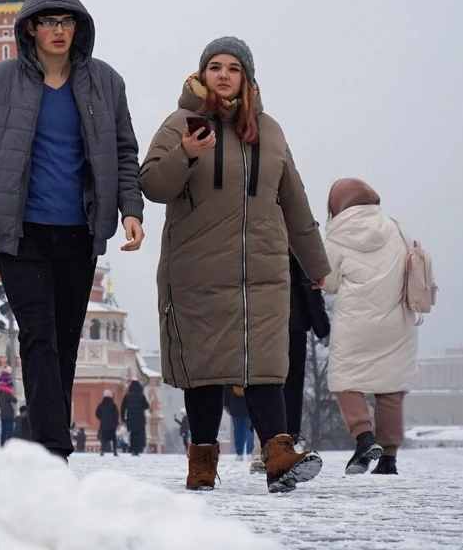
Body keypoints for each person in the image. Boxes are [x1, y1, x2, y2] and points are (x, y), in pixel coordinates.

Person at [0, 0, 145, 460]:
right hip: (18, 231)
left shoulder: (106, 83)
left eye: (66, 20)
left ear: (78, 27)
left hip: (79, 232)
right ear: (29, 28)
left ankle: (45, 436)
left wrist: (130, 209)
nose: (58, 30)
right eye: (48, 21)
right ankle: (54, 447)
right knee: (37, 333)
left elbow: (123, 152)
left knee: (65, 339)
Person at [139, 37, 330, 494]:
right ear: (202, 74)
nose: (223, 75)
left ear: (247, 77)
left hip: (261, 268)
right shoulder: (180, 123)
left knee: (265, 363)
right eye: (215, 67)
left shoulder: (271, 131)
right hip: (197, 267)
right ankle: (202, 462)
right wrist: (185, 153)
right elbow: (152, 184)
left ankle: (278, 454)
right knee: (204, 367)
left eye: (233, 68)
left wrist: (315, 264)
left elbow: (295, 202)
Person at [322, 178, 419, 476]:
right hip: (397, 322)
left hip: (356, 323)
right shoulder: (395, 227)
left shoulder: (337, 236)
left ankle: (364, 437)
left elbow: (329, 282)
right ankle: (389, 459)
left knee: (345, 382)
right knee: (390, 389)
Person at [285, 252, 331, 448]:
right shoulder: (295, 232)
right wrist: (322, 328)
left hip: (258, 323)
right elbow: (308, 284)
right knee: (292, 388)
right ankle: (287, 441)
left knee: (263, 384)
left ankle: (263, 444)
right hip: (292, 323)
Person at [122, 379, 150, 455]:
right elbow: (147, 406)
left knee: (132, 433)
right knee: (138, 434)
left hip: (130, 417)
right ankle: (137, 449)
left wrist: (123, 418)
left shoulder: (127, 396)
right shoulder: (141, 396)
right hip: (140, 418)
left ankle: (132, 448)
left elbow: (123, 408)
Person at [226, 386, 254, 460]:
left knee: (238, 431)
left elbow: (227, 388)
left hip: (236, 405)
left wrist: (226, 404)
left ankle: (239, 453)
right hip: (250, 404)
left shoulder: (232, 375)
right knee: (250, 431)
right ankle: (250, 453)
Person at [0, 367, 17, 441]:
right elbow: (14, 400)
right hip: (9, 414)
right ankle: (9, 447)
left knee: (4, 431)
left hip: (3, 414)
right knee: (9, 432)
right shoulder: (7, 392)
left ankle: (3, 445)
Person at [95, 390, 119, 455]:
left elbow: (97, 414)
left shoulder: (101, 405)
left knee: (104, 439)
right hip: (112, 426)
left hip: (104, 425)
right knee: (113, 439)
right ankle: (115, 451)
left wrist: (102, 419)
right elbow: (116, 414)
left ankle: (102, 451)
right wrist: (116, 422)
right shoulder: (113, 405)